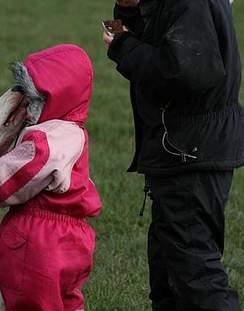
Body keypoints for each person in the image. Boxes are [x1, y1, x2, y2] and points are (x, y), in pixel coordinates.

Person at [103, 0, 243, 310]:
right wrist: (129, 9)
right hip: (181, 150)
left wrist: (125, 46)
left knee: (194, 274)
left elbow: (187, 74)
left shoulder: (190, 4)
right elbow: (160, 39)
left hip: (191, 152)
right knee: (168, 271)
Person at [0, 44, 102, 311]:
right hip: (76, 237)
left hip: (38, 238)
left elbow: (4, 183)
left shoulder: (42, 142)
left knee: (29, 299)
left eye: (34, 101)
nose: (27, 111)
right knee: (66, 300)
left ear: (53, 98)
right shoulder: (74, 132)